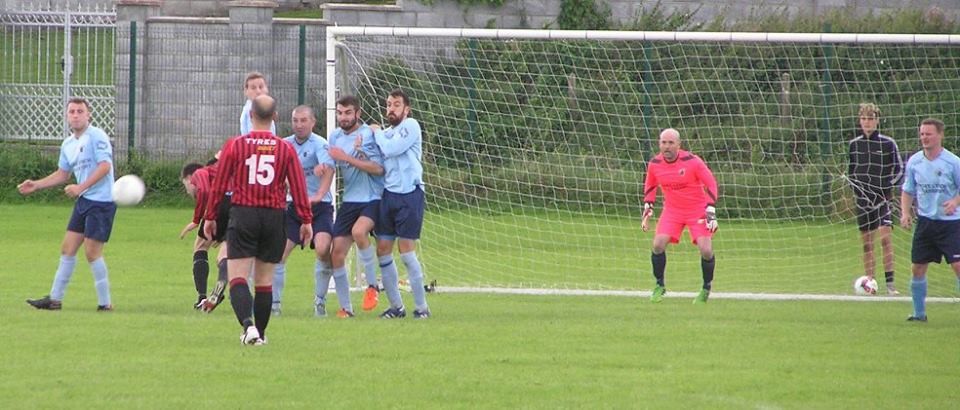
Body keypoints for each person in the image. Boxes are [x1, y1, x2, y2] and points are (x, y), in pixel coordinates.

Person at [204, 95, 312, 345]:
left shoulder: (235, 145)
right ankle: (260, 335)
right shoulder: (285, 148)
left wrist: (210, 216)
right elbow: (298, 187)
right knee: (264, 281)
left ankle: (248, 326)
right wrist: (306, 220)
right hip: (274, 217)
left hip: (244, 214)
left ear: (250, 115)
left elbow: (219, 185)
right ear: (275, 117)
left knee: (238, 277)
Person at [20, 97, 116, 311]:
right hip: (84, 201)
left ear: (88, 115)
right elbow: (62, 174)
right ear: (66, 116)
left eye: (80, 111)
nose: (75, 115)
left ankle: (105, 303)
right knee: (67, 248)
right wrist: (36, 185)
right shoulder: (68, 144)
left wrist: (80, 187)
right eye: (71, 111)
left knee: (92, 252)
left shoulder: (97, 136)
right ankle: (54, 299)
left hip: (101, 202)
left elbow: (105, 167)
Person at [273, 105, 348, 317]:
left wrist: (318, 195)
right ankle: (274, 305)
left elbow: (328, 169)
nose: (299, 125)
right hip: (293, 207)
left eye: (303, 120)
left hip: (319, 207)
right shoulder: (284, 144)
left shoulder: (320, 144)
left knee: (323, 249)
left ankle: (320, 302)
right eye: (295, 120)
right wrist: (286, 185)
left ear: (313, 122)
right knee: (279, 253)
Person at [642, 128, 719, 304]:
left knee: (706, 250)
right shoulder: (654, 164)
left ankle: (706, 287)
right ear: (659, 144)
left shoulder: (692, 161)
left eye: (671, 143)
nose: (667, 146)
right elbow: (650, 186)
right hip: (672, 211)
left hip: (697, 210)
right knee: (658, 245)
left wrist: (710, 209)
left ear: (678, 144)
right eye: (663, 142)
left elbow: (711, 184)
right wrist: (648, 207)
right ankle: (659, 285)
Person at [371, 89, 430, 318]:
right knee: (383, 249)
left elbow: (391, 148)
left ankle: (422, 308)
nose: (391, 109)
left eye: (396, 104)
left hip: (410, 194)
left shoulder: (411, 126)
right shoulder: (386, 133)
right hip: (389, 195)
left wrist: (376, 133)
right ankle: (396, 307)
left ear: (407, 109)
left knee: (406, 251)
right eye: (388, 104)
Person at [327, 95, 385, 313]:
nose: (343, 117)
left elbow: (378, 169)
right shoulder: (334, 137)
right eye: (340, 113)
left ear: (358, 113)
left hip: (372, 197)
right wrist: (322, 168)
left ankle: (372, 286)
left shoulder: (368, 134)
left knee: (359, 232)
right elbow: (330, 162)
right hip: (350, 200)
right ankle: (346, 308)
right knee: (336, 253)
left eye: (348, 113)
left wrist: (348, 158)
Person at [899, 118, 960, 322]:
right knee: (917, 267)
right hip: (925, 222)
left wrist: (955, 201)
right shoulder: (914, 162)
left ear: (940, 135)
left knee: (958, 266)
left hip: (951, 224)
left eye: (929, 134)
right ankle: (919, 314)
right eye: (922, 134)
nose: (924, 137)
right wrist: (905, 213)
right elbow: (908, 190)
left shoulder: (953, 162)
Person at [847, 103, 903, 295]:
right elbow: (851, 173)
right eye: (863, 119)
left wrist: (886, 188)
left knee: (885, 240)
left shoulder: (888, 143)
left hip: (883, 200)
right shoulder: (854, 145)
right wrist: (858, 191)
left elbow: (899, 170)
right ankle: (870, 282)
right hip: (863, 201)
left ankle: (890, 285)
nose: (867, 122)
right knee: (867, 244)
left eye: (870, 119)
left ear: (877, 120)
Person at [180, 160, 228, 312]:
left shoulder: (200, 173)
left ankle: (202, 297)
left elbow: (205, 191)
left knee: (200, 246)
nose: (188, 191)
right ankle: (222, 281)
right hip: (239, 206)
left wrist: (196, 220)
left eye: (186, 185)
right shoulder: (221, 173)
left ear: (189, 178)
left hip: (220, 204)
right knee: (225, 255)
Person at [239, 71, 276, 136]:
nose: (258, 91)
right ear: (246, 91)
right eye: (253, 88)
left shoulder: (267, 107)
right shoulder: (250, 109)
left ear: (267, 89)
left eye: (261, 87)